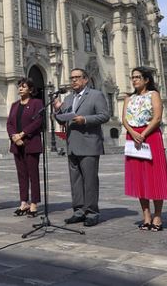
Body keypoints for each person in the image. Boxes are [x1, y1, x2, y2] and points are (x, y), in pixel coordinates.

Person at [53, 68, 110, 226]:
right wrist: (57, 110)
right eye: (72, 78)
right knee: (75, 180)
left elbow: (104, 115)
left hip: (89, 143)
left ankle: (91, 212)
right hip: (72, 144)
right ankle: (78, 211)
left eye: (77, 78)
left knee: (90, 180)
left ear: (85, 80)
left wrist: (85, 120)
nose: (74, 81)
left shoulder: (95, 95)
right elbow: (62, 120)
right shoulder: (69, 98)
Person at [121, 67, 167, 231]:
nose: (134, 80)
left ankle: (157, 216)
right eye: (133, 77)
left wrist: (143, 134)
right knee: (139, 178)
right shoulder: (129, 98)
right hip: (133, 137)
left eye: (138, 77)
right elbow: (124, 119)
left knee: (154, 175)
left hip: (150, 136)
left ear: (146, 79)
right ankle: (146, 216)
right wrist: (133, 133)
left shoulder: (153, 95)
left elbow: (157, 118)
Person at [6, 77, 45, 218]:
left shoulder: (37, 103)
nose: (20, 88)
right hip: (17, 144)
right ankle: (24, 202)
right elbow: (9, 123)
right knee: (21, 175)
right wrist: (14, 137)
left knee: (32, 174)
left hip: (31, 143)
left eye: (24, 86)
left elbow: (38, 122)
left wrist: (22, 135)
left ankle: (34, 203)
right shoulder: (14, 105)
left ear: (31, 89)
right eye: (19, 86)